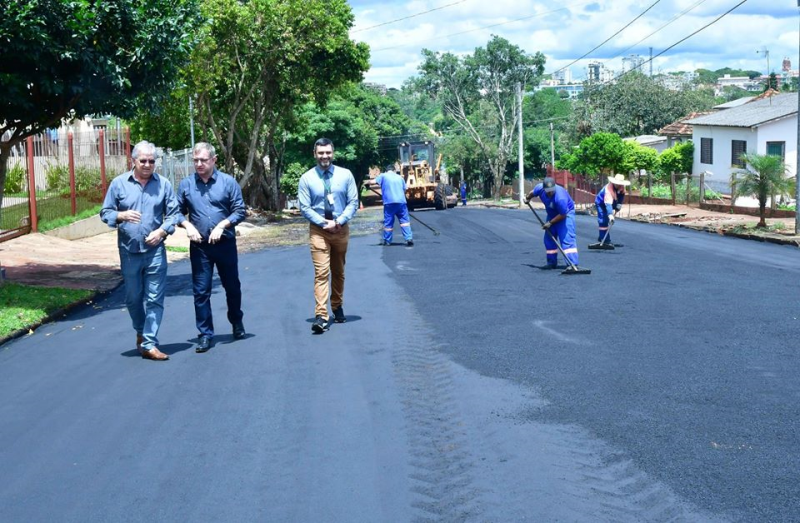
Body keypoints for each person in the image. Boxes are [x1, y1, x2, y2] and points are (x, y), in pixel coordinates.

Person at [100, 141, 181, 361]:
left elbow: (174, 214)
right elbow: (105, 212)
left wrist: (163, 231)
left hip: (155, 251)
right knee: (133, 298)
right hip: (129, 251)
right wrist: (121, 215)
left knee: (155, 298)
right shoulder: (118, 184)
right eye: (143, 160)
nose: (147, 164)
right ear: (133, 161)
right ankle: (140, 331)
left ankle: (149, 343)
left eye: (151, 161)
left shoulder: (163, 184)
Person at [177, 143, 247, 353]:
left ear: (214, 160)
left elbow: (239, 210)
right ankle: (205, 334)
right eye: (196, 160)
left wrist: (223, 224)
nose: (199, 164)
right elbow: (176, 212)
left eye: (203, 160)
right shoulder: (186, 185)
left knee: (232, 286)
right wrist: (187, 225)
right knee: (201, 291)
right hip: (200, 247)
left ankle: (236, 321)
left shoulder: (228, 182)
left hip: (225, 244)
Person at [298, 138, 359, 334]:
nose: (324, 156)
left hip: (341, 229)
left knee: (338, 270)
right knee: (321, 272)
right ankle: (321, 316)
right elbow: (305, 207)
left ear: (333, 153)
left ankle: (337, 305)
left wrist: (339, 221)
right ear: (314, 154)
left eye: (328, 152)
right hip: (319, 231)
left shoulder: (346, 175)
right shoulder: (306, 178)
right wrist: (325, 223)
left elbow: (353, 202)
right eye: (321, 153)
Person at [525, 177, 580, 269]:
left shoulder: (560, 197)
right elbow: (532, 193)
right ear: (544, 189)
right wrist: (527, 198)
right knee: (549, 239)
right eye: (548, 191)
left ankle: (572, 264)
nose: (550, 193)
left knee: (567, 239)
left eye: (552, 190)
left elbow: (563, 214)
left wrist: (550, 223)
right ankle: (551, 262)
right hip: (552, 214)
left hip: (565, 215)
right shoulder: (540, 188)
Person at [375, 163, 413, 246]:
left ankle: (387, 240)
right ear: (394, 170)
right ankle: (408, 238)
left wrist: (367, 185)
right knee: (405, 221)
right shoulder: (400, 177)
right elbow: (405, 189)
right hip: (401, 203)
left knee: (388, 223)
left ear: (386, 170)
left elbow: (373, 181)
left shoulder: (383, 175)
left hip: (389, 203)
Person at [594, 173, 629, 245]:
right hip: (601, 203)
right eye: (616, 183)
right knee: (603, 220)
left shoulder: (622, 187)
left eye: (619, 183)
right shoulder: (608, 190)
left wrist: (619, 204)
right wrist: (610, 215)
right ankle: (605, 240)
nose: (618, 185)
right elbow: (608, 204)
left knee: (606, 220)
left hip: (612, 202)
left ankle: (602, 237)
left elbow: (621, 195)